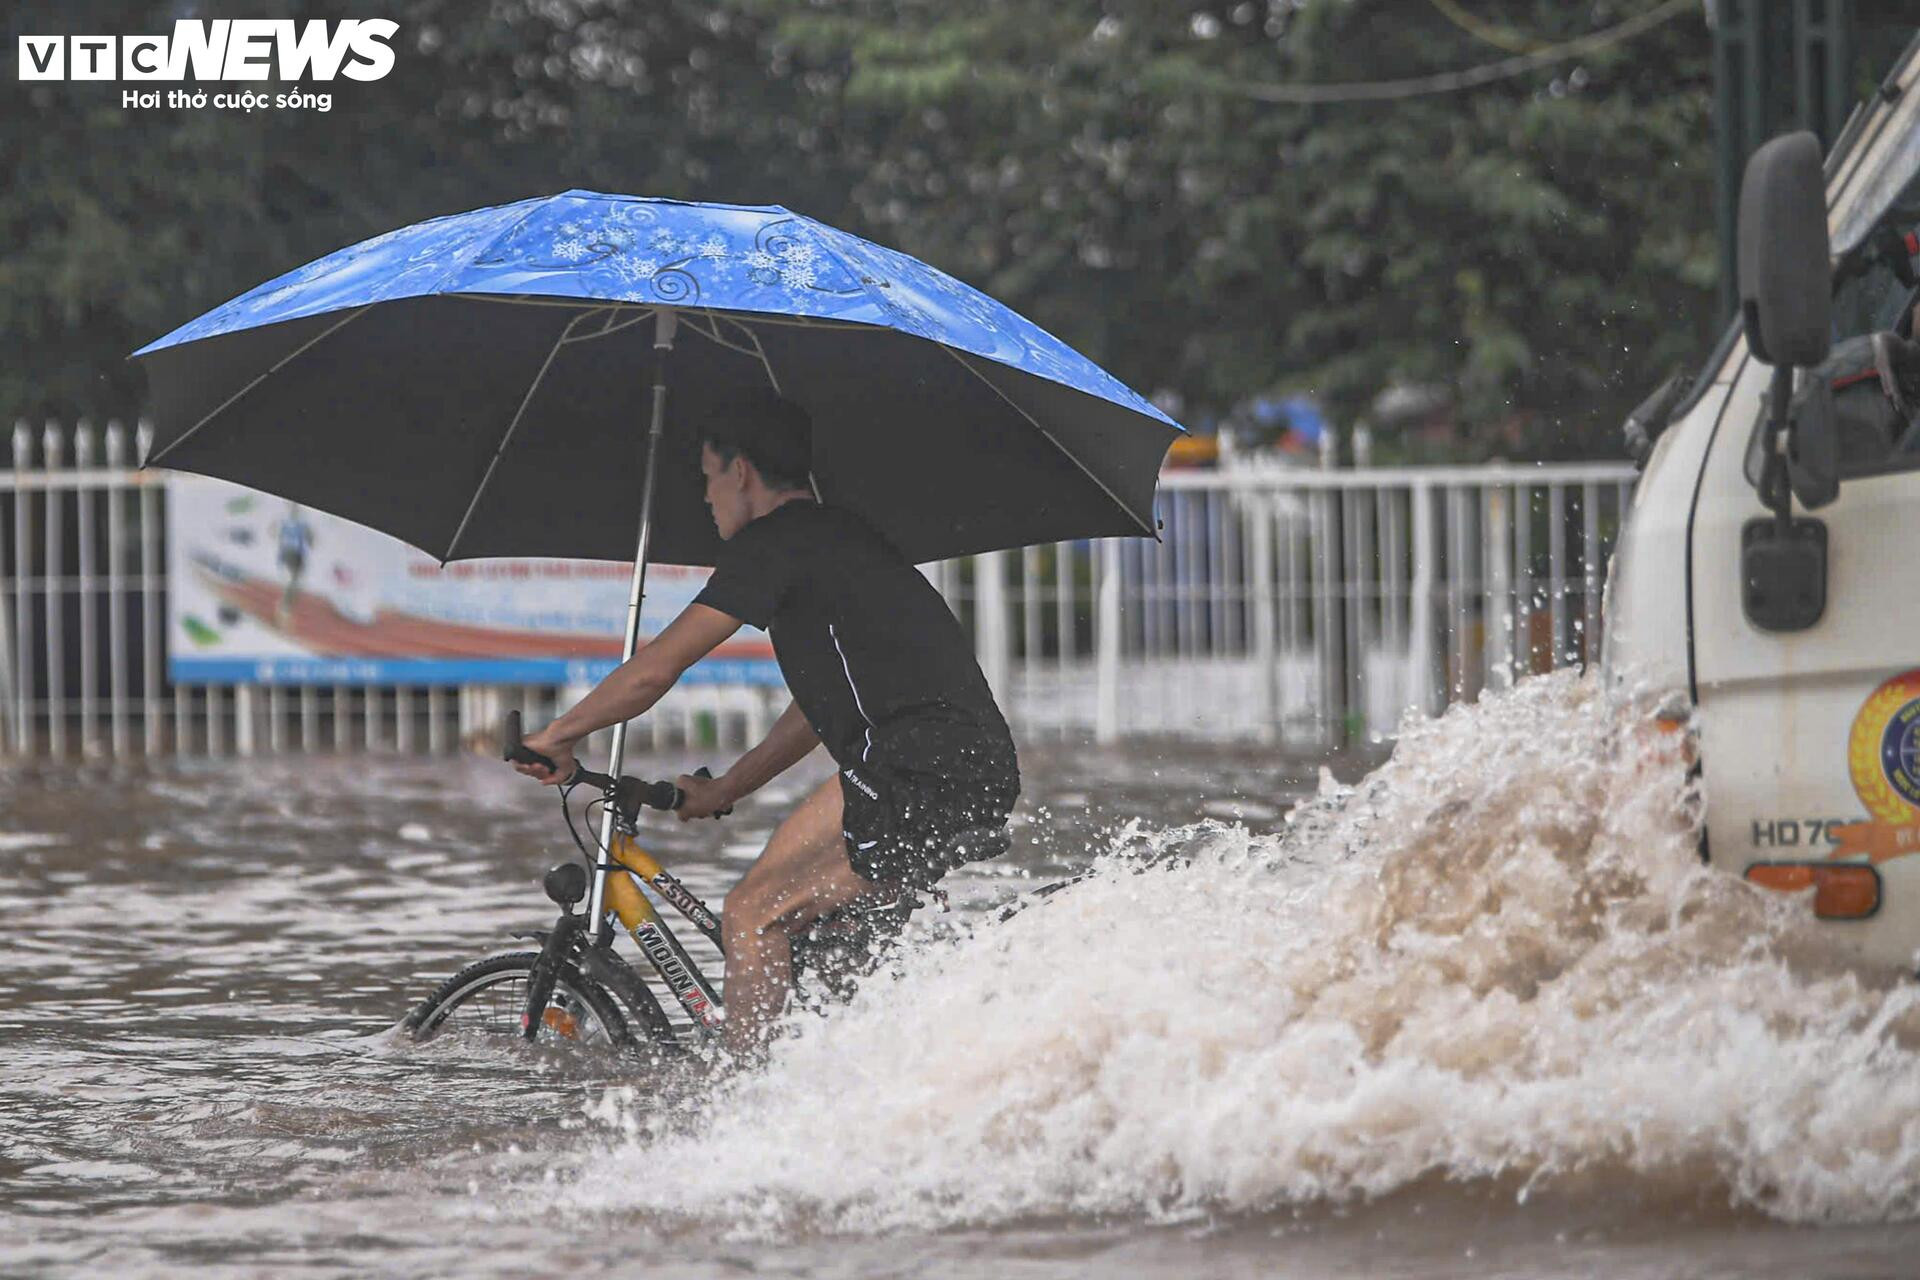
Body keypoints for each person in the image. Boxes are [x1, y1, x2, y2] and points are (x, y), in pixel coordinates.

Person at [511, 392, 1020, 1054]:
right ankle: (852, 1065)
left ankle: (745, 1101)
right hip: (963, 765)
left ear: (741, 471)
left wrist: (556, 737)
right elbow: (814, 711)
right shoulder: (841, 538)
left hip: (912, 768)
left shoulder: (774, 544)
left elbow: (653, 672)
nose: (706, 497)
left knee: (752, 914)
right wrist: (726, 788)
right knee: (811, 925)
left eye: (708, 477)